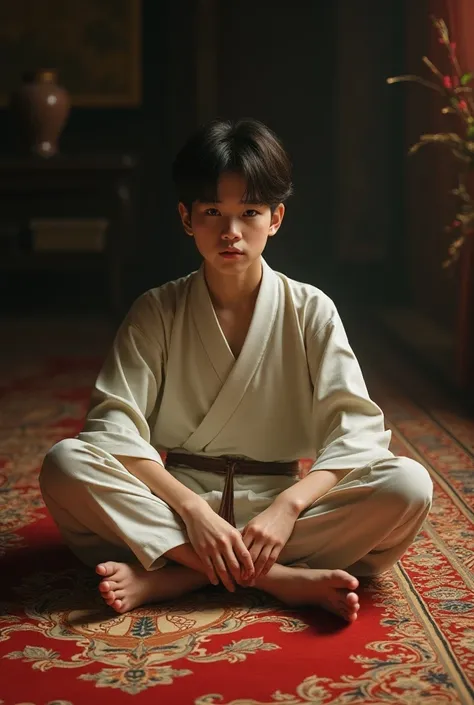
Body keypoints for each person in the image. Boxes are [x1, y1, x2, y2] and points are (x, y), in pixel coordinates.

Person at [40, 118, 433, 623]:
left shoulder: (311, 310)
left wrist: (287, 507)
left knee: (407, 486)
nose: (230, 232)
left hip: (281, 515)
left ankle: (178, 574)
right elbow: (112, 430)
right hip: (177, 509)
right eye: (212, 212)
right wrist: (195, 511)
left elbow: (356, 433)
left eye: (249, 212)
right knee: (66, 463)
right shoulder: (156, 311)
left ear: (276, 218)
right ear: (186, 218)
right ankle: (278, 578)